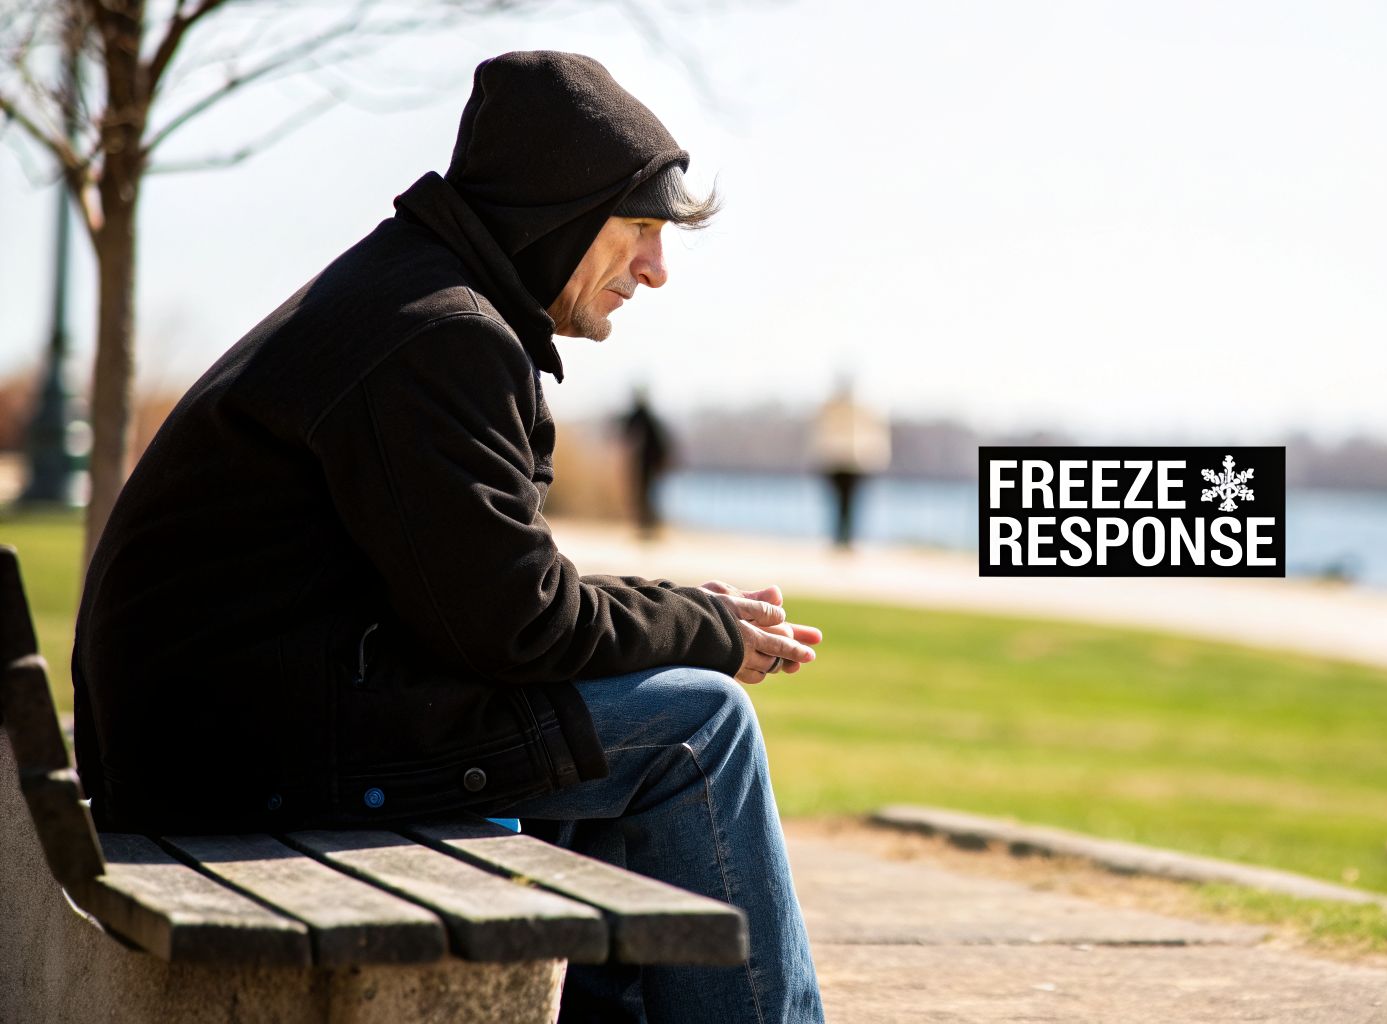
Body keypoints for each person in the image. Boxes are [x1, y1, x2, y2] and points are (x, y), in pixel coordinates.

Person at [71, 51, 824, 1023]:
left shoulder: (412, 296)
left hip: (225, 741)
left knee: (596, 726)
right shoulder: (436, 335)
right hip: (242, 771)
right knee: (696, 725)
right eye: (639, 228)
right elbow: (515, 628)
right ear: (556, 208)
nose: (656, 269)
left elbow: (486, 594)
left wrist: (682, 612)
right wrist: (703, 630)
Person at [811, 380, 890, 549]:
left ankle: (846, 539)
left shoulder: (862, 409)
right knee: (839, 501)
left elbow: (875, 436)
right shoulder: (831, 408)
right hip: (835, 460)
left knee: (850, 502)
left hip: (856, 462)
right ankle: (840, 538)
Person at [619, 385, 671, 538]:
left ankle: (648, 526)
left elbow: (628, 430)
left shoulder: (642, 414)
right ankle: (648, 526)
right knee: (647, 492)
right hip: (650, 461)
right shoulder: (648, 416)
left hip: (649, 461)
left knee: (645, 492)